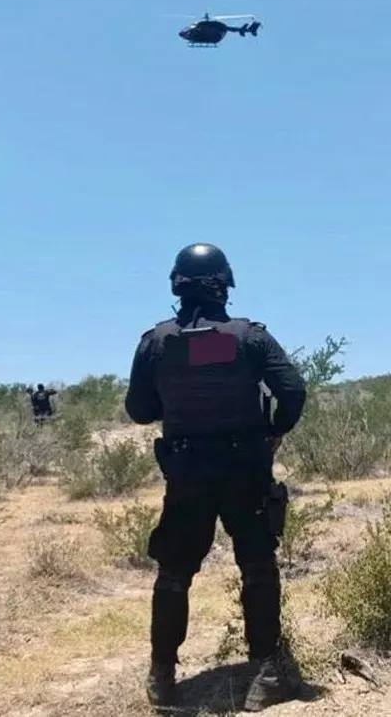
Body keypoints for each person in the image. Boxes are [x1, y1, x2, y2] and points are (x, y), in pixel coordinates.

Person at [124, 242, 308, 712]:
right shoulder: (249, 337)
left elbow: (139, 411)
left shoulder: (155, 342)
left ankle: (162, 676)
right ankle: (266, 672)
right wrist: (274, 432)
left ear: (177, 287)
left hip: (187, 471)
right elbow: (292, 392)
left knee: (174, 571)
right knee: (257, 563)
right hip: (244, 466)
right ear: (223, 285)